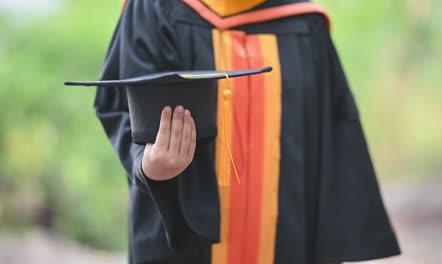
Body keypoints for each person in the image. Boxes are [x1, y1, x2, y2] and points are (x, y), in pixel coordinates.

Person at [94, 0, 401, 263]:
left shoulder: (304, 23)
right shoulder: (156, 8)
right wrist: (148, 164)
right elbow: (122, 105)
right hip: (184, 243)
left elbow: (333, 143)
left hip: (287, 239)